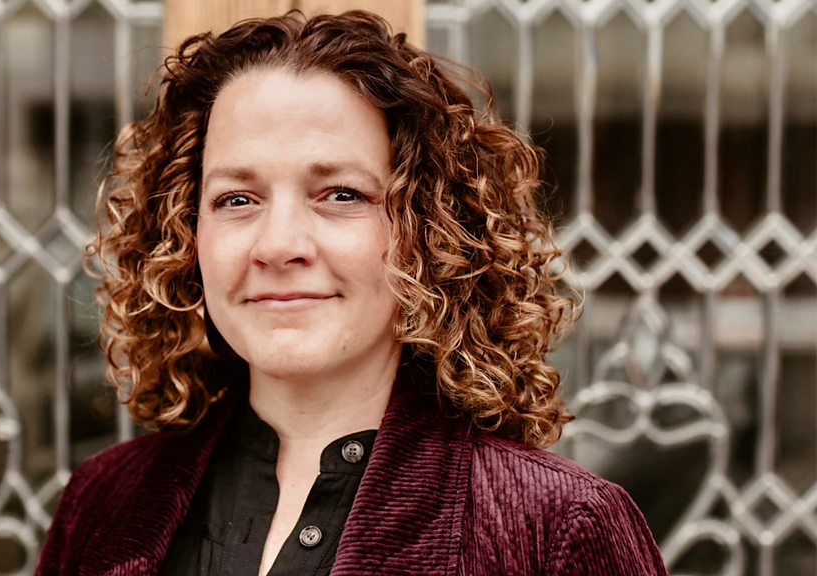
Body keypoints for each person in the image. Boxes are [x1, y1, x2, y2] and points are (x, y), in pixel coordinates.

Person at [36, 9, 667, 576]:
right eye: (237, 199)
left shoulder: (559, 529)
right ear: (184, 231)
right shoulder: (103, 502)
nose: (278, 245)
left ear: (429, 230)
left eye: (341, 195)